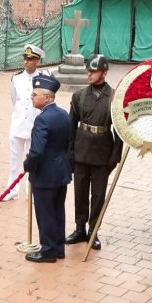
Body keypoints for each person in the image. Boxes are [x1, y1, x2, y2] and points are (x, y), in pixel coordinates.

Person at [65, 54, 122, 251]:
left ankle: (93, 230)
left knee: (98, 194)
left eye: (94, 71)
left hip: (102, 152)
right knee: (80, 191)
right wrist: (70, 153)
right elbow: (71, 128)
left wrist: (115, 156)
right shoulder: (79, 96)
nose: (89, 74)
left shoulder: (114, 97)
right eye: (88, 70)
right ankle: (79, 228)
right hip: (82, 150)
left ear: (104, 73)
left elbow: (120, 130)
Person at [23, 73, 72, 263]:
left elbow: (36, 152)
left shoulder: (42, 119)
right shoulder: (62, 114)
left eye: (35, 94)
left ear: (47, 97)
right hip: (61, 172)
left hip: (44, 175)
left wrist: (28, 165)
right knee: (58, 211)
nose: (32, 97)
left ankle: (48, 250)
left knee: (45, 214)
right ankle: (58, 247)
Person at [4, 45, 46, 201]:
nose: (26, 62)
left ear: (37, 61)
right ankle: (12, 190)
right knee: (14, 160)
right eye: (25, 58)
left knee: (33, 160)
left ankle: (31, 190)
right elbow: (15, 100)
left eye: (30, 59)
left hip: (34, 127)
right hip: (18, 125)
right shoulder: (16, 78)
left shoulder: (43, 78)